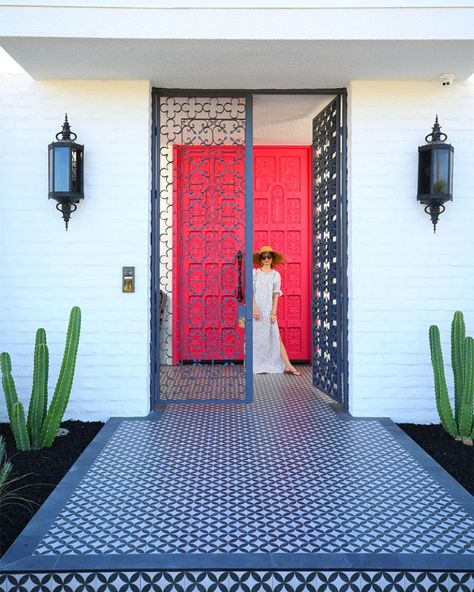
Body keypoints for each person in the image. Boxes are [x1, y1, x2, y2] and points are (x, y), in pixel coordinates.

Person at [252, 245, 301, 375]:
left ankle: (288, 366)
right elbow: (250, 292)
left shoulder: (276, 275)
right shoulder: (255, 273)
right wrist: (254, 308)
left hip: (268, 310)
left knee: (275, 337)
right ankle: (257, 364)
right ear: (260, 259)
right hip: (256, 310)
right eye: (264, 257)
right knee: (255, 338)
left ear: (272, 259)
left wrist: (274, 312)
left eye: (269, 256)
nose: (266, 259)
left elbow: (276, 294)